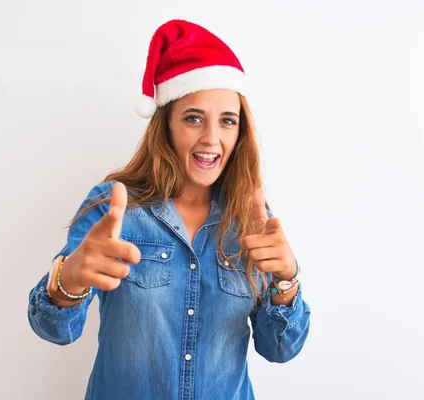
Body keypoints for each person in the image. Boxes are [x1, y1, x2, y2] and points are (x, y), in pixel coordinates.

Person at [28, 19, 311, 400]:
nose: (211, 138)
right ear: (167, 126)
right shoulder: (115, 207)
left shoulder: (251, 219)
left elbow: (280, 348)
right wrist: (69, 279)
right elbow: (54, 328)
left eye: (227, 121)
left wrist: (286, 281)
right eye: (194, 118)